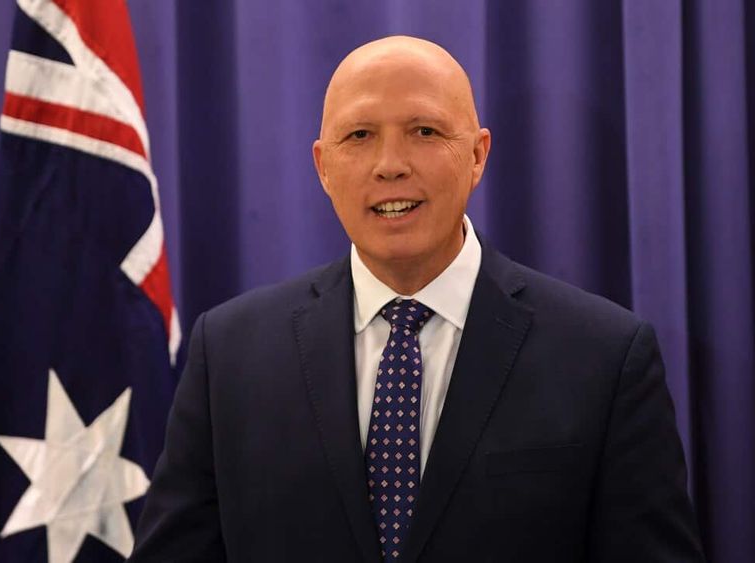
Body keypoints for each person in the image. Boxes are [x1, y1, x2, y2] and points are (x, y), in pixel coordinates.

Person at [129, 36, 704, 562]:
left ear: (477, 155)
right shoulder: (230, 355)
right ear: (323, 167)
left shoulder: (604, 357)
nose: (391, 166)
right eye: (359, 136)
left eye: (425, 131)